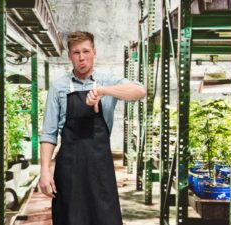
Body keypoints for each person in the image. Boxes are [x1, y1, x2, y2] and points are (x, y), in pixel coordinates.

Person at [39, 31, 146, 225]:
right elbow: (49, 133)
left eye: (86, 51)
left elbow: (140, 90)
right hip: (69, 167)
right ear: (70, 56)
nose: (81, 57)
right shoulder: (59, 87)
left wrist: (104, 91)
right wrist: (45, 171)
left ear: (94, 53)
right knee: (70, 218)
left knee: (104, 218)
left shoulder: (106, 81)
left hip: (100, 167)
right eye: (76, 52)